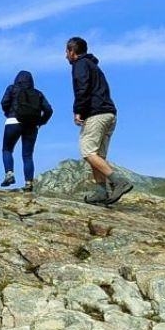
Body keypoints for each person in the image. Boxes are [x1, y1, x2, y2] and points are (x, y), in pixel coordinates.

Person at [66, 37, 133, 205]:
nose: (66, 56)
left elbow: (83, 87)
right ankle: (101, 192)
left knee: (87, 151)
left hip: (96, 114)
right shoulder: (94, 66)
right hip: (109, 114)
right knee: (98, 155)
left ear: (72, 52)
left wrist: (78, 110)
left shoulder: (80, 65)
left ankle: (118, 181)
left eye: (66, 52)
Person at [0, 71, 53, 191]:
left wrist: (8, 113)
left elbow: (4, 102)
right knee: (27, 155)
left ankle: (9, 173)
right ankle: (29, 183)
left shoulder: (12, 88)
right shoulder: (38, 93)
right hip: (32, 125)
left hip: (13, 121)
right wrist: (41, 122)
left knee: (7, 149)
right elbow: (48, 110)